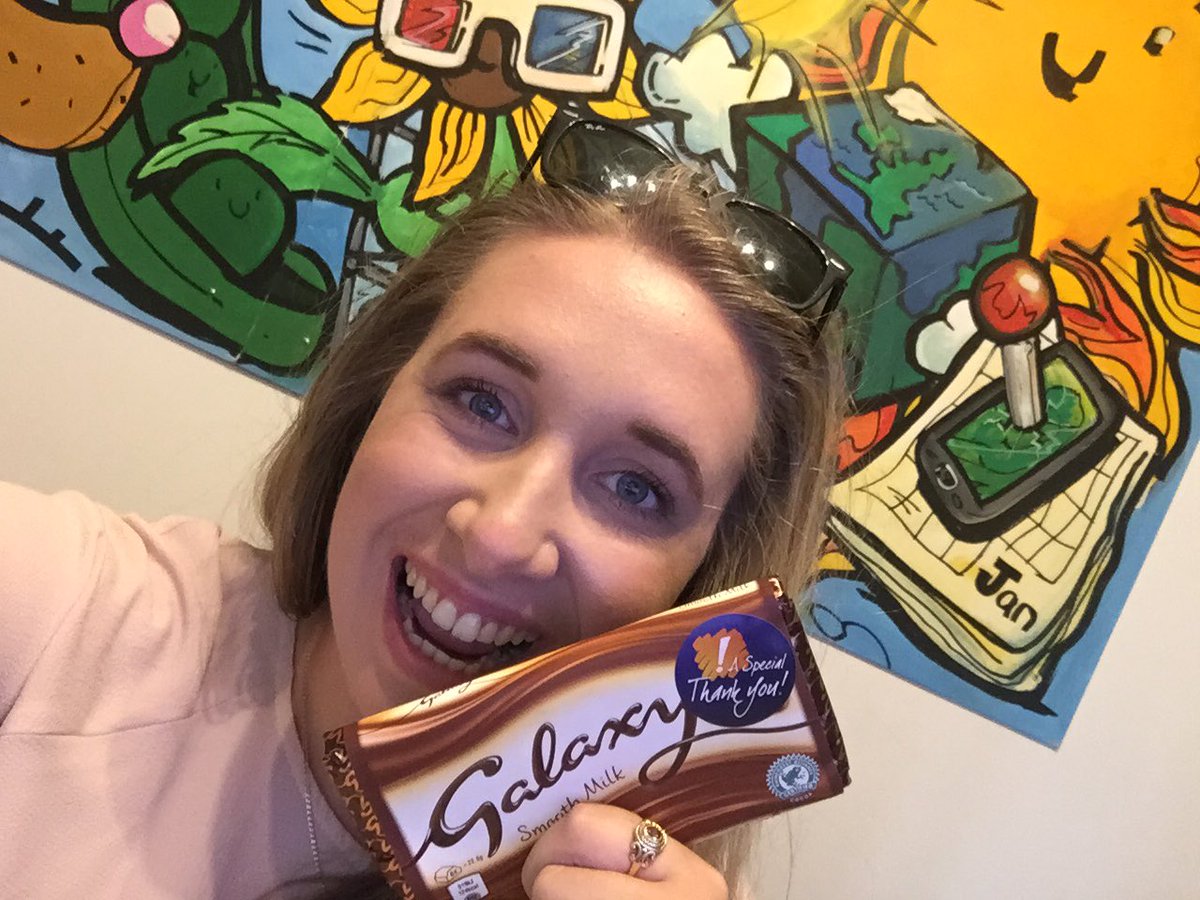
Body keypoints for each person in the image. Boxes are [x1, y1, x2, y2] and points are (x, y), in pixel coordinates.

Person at [0, 130, 847, 898]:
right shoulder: (56, 612)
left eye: (635, 488)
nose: (500, 533)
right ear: (374, 395)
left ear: (706, 585)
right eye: (482, 401)